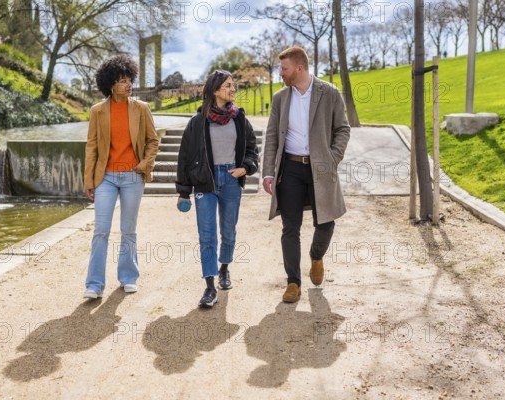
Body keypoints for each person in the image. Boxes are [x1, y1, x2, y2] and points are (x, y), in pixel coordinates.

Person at [262, 47, 350, 303]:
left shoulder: (329, 93)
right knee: (290, 227)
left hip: (320, 168)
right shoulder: (280, 98)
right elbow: (271, 137)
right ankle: (293, 282)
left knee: (326, 222)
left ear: (299, 68)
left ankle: (316, 256)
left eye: (284, 69)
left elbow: (342, 129)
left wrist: (332, 159)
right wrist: (269, 171)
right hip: (289, 169)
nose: (281, 73)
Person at [176, 70, 259, 308]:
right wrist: (183, 191)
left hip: (232, 180)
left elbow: (252, 149)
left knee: (229, 232)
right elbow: (184, 156)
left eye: (234, 86)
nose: (233, 89)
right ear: (214, 90)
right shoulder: (197, 122)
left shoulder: (240, 119)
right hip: (206, 182)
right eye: (228, 86)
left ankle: (224, 268)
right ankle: (210, 286)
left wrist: (246, 168)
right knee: (207, 235)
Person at [83, 55, 159, 298]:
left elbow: (152, 141)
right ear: (110, 84)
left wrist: (144, 165)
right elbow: (92, 146)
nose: (129, 85)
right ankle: (94, 285)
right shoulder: (97, 111)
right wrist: (88, 180)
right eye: (123, 81)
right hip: (105, 177)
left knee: (128, 230)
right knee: (101, 231)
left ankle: (128, 277)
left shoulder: (141, 108)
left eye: (130, 80)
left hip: (132, 178)